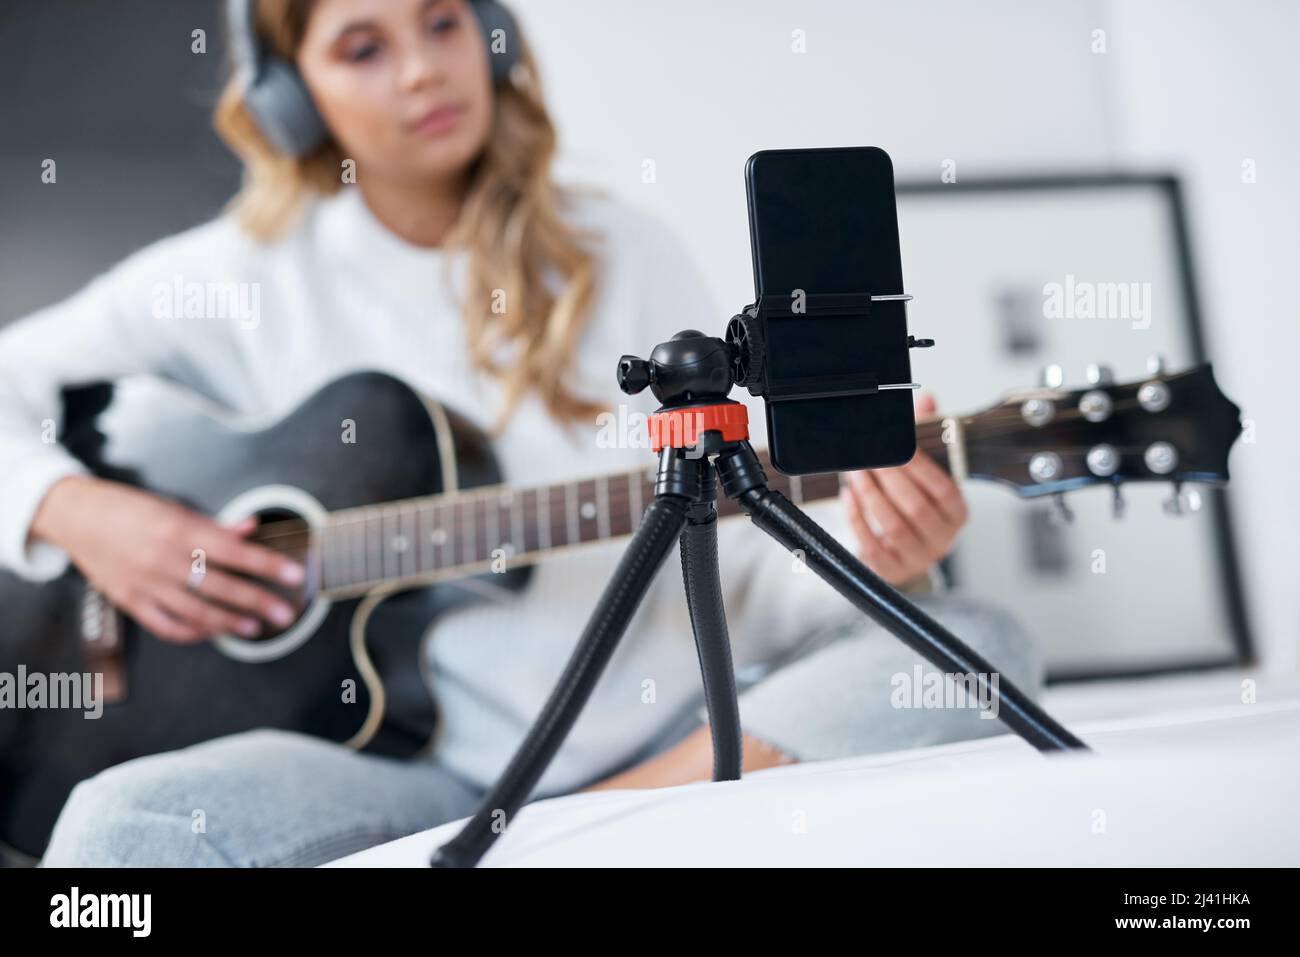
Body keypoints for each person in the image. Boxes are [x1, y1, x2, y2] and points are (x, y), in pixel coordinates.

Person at [0, 0, 1040, 867]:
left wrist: (873, 548)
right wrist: (76, 510)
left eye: (443, 22)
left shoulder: (619, 252)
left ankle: (583, 824)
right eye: (364, 47)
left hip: (656, 731)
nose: (422, 71)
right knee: (116, 828)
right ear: (287, 94)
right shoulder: (235, 277)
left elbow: (737, 567)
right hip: (407, 767)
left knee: (978, 647)